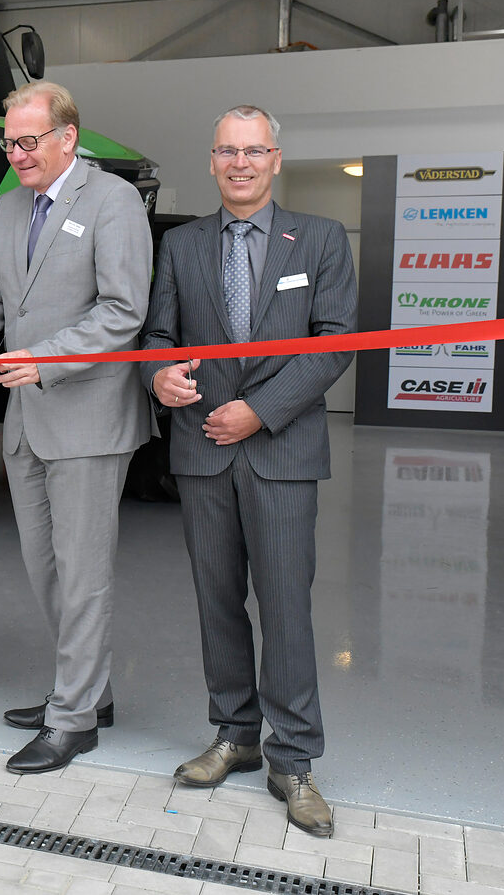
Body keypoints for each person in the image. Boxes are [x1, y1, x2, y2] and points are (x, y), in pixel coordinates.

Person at [140, 105, 357, 837]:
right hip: (201, 451)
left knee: (285, 608)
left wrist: (259, 411)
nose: (240, 162)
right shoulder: (182, 245)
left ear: (275, 158)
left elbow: (334, 344)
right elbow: (159, 337)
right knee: (216, 600)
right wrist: (161, 378)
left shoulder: (320, 239)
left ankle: (293, 758)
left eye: (253, 150)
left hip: (281, 452)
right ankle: (234, 733)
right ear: (212, 161)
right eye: (227, 151)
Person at [0, 80, 152, 774]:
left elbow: (123, 312)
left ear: (68, 137)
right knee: (45, 568)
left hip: (87, 418)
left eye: (28, 141)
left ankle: (74, 717)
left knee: (83, 574)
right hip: (28, 419)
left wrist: (43, 359)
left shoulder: (112, 202)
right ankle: (87, 687)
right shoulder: (9, 205)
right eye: (10, 142)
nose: (16, 154)